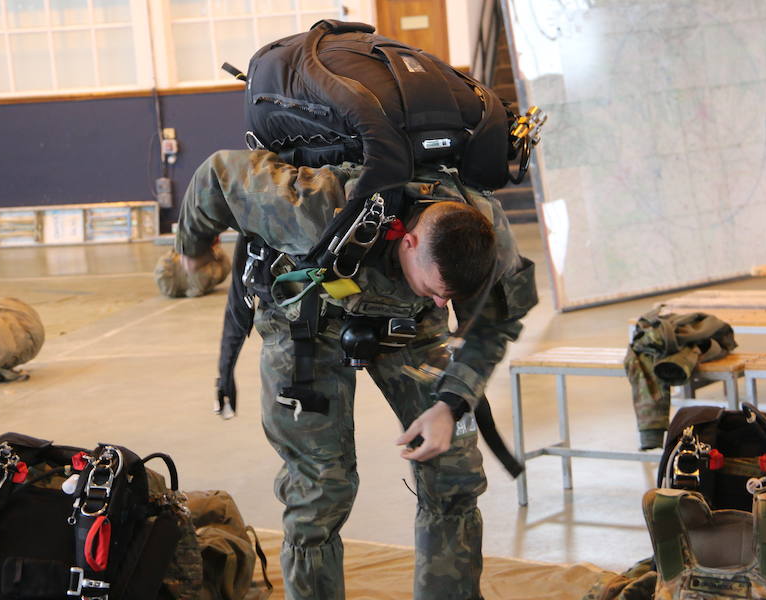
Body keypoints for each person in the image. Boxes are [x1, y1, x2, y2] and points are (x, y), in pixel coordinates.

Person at [176, 148, 537, 600]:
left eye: (452, 297)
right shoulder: (316, 207)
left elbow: (495, 323)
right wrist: (192, 250)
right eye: (437, 289)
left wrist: (451, 403)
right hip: (308, 323)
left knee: (454, 472)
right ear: (408, 243)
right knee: (320, 491)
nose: (446, 305)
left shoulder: (486, 224)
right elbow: (218, 172)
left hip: (411, 325)